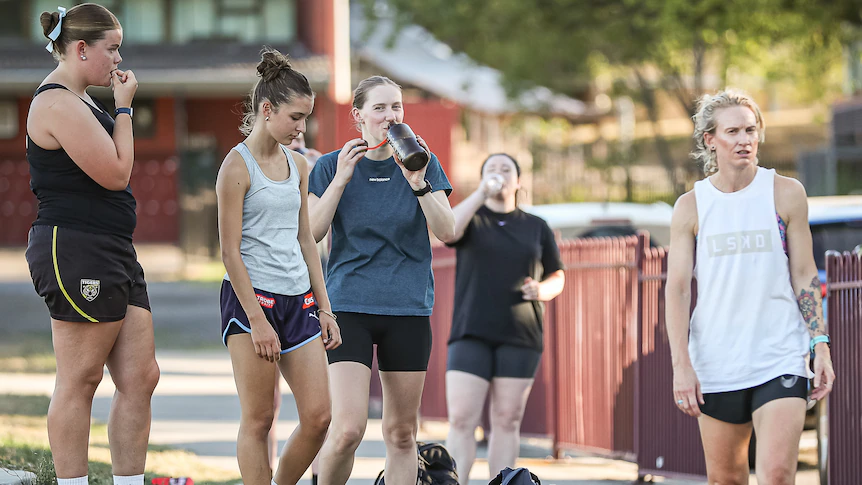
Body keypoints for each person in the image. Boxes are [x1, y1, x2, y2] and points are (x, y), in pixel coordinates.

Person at [666, 89, 836, 484]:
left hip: (779, 355)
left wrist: (820, 344)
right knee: (726, 479)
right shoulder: (691, 206)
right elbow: (676, 289)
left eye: (751, 129)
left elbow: (805, 275)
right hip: (716, 361)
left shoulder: (786, 193)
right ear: (710, 139)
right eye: (733, 131)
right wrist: (681, 366)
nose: (745, 140)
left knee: (777, 474)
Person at [24, 5, 160, 485]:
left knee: (141, 377)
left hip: (113, 246)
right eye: (112, 49)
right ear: (81, 49)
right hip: (74, 245)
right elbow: (116, 172)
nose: (119, 58)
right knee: (81, 378)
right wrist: (125, 106)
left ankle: (127, 481)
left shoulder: (84, 101)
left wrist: (116, 106)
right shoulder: (57, 102)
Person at [308, 75, 455, 485]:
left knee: (402, 433)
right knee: (347, 429)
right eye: (380, 108)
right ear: (359, 116)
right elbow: (313, 232)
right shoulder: (327, 166)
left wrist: (419, 183)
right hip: (348, 307)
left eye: (396, 107)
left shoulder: (423, 161)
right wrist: (340, 177)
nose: (390, 116)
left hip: (407, 306)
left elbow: (449, 231)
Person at [215, 47, 342, 485]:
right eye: (295, 117)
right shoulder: (236, 166)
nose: (301, 128)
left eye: (306, 118)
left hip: (298, 300)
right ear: (266, 110)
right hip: (252, 303)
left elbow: (306, 239)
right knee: (259, 418)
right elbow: (230, 252)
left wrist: (325, 308)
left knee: (320, 417)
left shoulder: (299, 164)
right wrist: (257, 321)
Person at [444, 154, 565, 483]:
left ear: (518, 181)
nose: (498, 174)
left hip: (520, 334)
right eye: (491, 169)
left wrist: (542, 289)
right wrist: (480, 193)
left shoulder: (535, 225)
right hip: (471, 332)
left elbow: (558, 275)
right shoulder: (472, 217)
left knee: (507, 419)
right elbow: (448, 232)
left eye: (505, 169)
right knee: (461, 418)